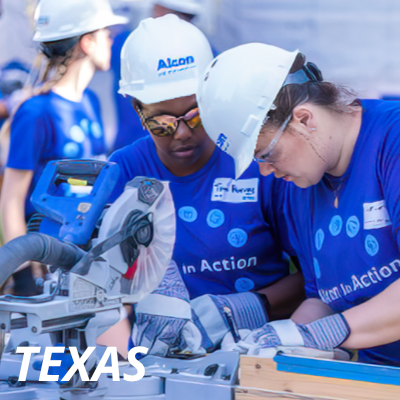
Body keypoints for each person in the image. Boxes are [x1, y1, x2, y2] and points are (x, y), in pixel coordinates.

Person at [106, 15, 304, 357]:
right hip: (162, 359)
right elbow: (102, 293)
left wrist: (244, 307)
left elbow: (316, 278)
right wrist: (129, 361)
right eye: (162, 123)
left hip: (258, 352)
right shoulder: (125, 170)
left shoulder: (258, 159)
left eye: (196, 116)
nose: (182, 133)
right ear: (137, 110)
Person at [197, 43, 400, 366]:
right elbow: (323, 299)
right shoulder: (301, 186)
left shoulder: (392, 142)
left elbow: (332, 325)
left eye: (266, 155)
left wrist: (329, 332)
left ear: (304, 119)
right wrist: (275, 342)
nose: (266, 171)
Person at [0, 0, 128, 295]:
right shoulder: (36, 112)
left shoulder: (90, 102)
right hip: (48, 262)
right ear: (87, 42)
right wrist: (22, 272)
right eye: (105, 32)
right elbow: (10, 199)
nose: (111, 38)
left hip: (89, 257)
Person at [110, 0, 213, 153]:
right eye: (176, 14)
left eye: (187, 17)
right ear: (157, 7)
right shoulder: (127, 45)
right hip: (136, 150)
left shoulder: (200, 47)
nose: (178, 22)